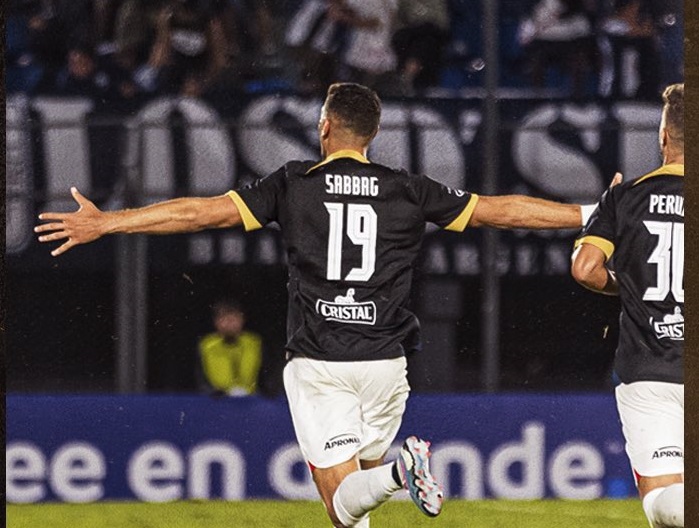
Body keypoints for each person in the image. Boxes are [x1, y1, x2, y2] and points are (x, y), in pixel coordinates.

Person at [36, 82, 597, 527]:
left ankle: (403, 470)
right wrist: (587, 214)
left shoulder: (293, 183)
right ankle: (396, 472)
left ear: (325, 127)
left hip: (321, 361)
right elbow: (500, 210)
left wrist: (110, 223)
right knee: (359, 503)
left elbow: (200, 213)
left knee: (341, 507)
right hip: (387, 365)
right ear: (373, 134)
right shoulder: (408, 189)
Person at [571, 83, 684, 528]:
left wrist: (632, 285)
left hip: (649, 371)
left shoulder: (625, 196)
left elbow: (585, 269)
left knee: (663, 504)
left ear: (663, 136)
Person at [197, 298, 263, 397]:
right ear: (216, 322)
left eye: (234, 318)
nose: (230, 323)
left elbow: (267, 376)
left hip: (252, 399)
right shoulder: (206, 345)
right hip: (217, 400)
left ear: (242, 320)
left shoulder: (254, 343)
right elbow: (200, 380)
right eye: (224, 319)